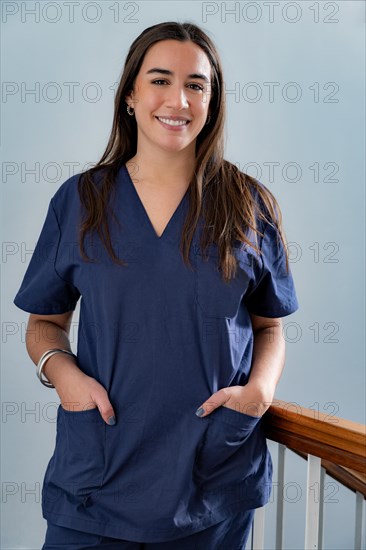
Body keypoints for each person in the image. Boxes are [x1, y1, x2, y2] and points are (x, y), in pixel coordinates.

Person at [13, 21, 299, 549]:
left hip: (211, 482)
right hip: (97, 483)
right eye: (161, 80)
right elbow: (44, 325)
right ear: (130, 95)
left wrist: (259, 393)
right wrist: (62, 374)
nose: (179, 100)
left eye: (196, 85)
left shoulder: (249, 205)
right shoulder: (80, 202)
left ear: (212, 101)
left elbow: (270, 329)